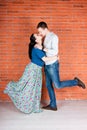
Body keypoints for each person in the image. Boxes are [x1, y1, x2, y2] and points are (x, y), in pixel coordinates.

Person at [36, 21, 86, 111]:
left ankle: (76, 82)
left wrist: (43, 48)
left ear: (45, 29)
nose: (40, 34)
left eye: (40, 31)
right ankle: (53, 105)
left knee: (57, 85)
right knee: (48, 85)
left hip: (52, 65)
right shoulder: (45, 37)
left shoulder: (54, 37)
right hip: (46, 65)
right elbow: (45, 52)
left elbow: (55, 51)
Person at [4, 33, 57, 114]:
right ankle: (11, 88)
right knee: (28, 88)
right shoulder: (36, 48)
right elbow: (45, 59)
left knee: (36, 89)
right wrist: (56, 57)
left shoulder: (39, 47)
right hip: (32, 70)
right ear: (36, 40)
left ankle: (35, 107)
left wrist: (43, 48)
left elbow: (45, 52)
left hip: (37, 70)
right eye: (37, 35)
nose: (39, 35)